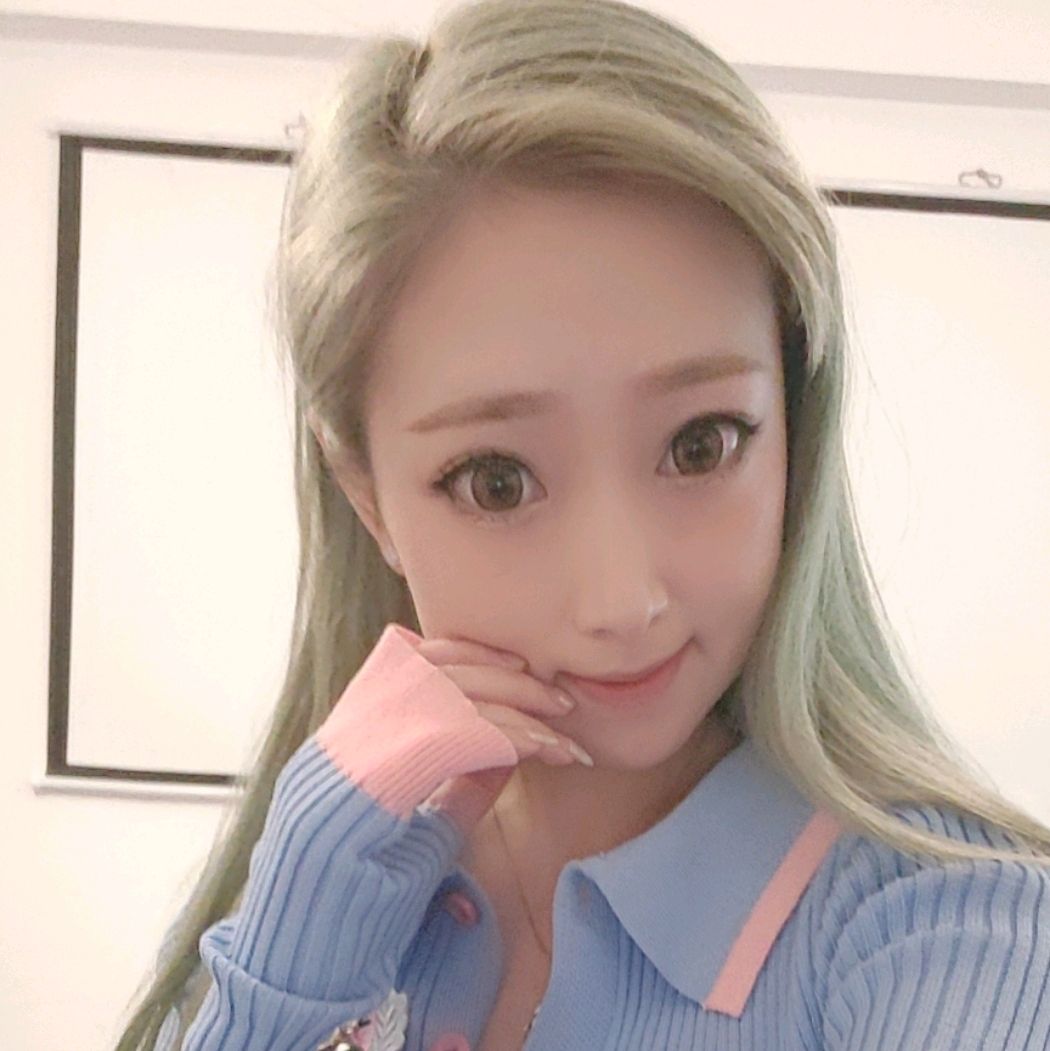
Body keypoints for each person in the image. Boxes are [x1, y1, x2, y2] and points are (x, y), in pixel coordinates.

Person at [114, 1, 1050, 1049]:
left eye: (700, 444)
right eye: (497, 481)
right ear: (367, 496)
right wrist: (287, 974)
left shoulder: (952, 929)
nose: (622, 600)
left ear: (794, 427)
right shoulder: (301, 918)